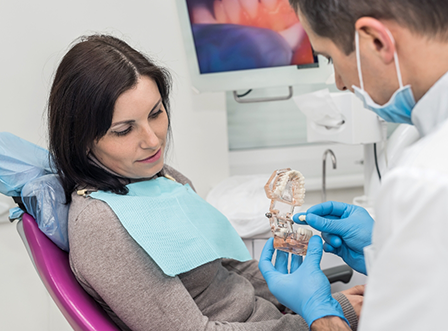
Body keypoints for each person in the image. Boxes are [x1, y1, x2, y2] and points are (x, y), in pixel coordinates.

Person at [47, 34, 362, 331]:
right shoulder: (103, 225)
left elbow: (232, 268)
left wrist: (318, 302)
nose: (152, 139)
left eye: (155, 114)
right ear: (83, 139)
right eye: (124, 130)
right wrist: (326, 317)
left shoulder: (164, 178)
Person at [258, 0, 448, 330]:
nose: (340, 82)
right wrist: (385, 251)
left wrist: (320, 314)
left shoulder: (423, 176)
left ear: (376, 41)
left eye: (331, 58)